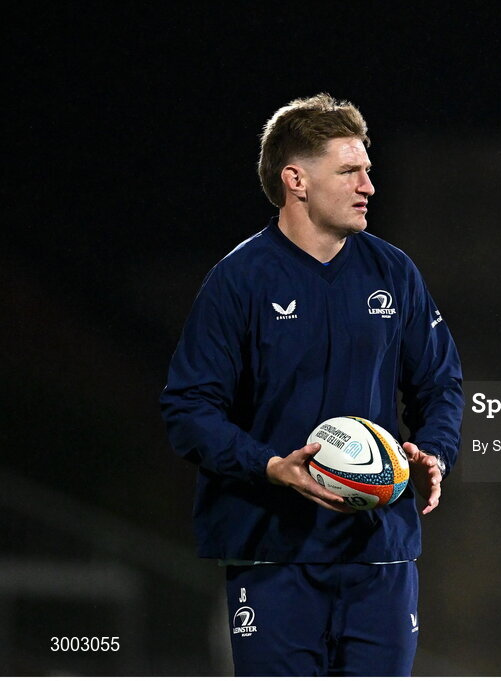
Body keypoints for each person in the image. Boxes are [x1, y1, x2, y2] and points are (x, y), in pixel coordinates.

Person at [159, 93, 463, 676]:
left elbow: (440, 384)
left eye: (367, 170)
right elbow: (189, 407)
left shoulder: (393, 272)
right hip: (273, 552)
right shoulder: (238, 281)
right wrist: (270, 465)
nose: (368, 185)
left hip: (378, 552)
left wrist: (436, 453)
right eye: (349, 171)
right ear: (295, 179)